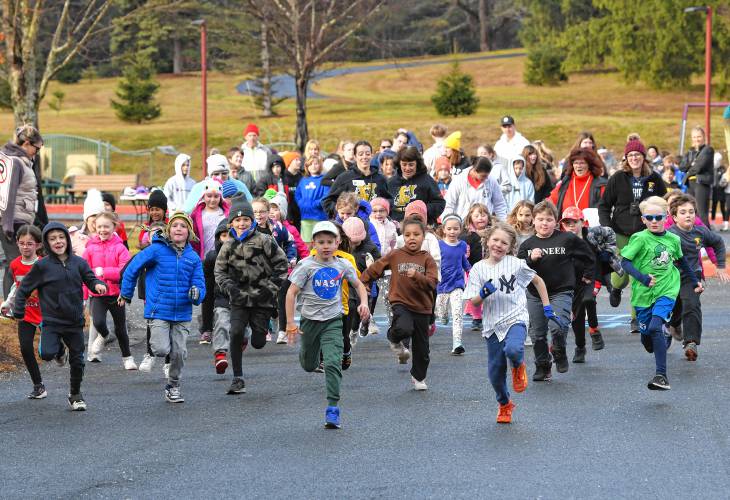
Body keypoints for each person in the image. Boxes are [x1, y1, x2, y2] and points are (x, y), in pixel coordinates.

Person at [464, 222, 554, 424]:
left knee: (513, 349)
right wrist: (482, 293)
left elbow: (537, 281)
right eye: (495, 240)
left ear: (510, 246)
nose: (498, 245)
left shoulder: (516, 264)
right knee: (495, 371)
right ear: (487, 241)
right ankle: (504, 404)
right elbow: (473, 302)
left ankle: (518, 365)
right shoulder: (478, 269)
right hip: (492, 325)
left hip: (516, 317)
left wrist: (547, 306)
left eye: (504, 243)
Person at [285, 220, 369, 429]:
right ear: (313, 243)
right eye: (321, 242)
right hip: (309, 322)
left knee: (333, 363)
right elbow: (291, 293)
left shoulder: (342, 264)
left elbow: (358, 285)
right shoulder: (306, 266)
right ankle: (308, 357)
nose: (325, 246)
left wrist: (364, 304)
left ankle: (333, 408)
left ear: (338, 242)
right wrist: (289, 323)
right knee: (308, 365)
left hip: (333, 320)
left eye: (330, 241)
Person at [14, 222, 107, 411]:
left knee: (78, 360)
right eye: (52, 238)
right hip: (51, 321)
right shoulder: (42, 266)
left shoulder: (78, 262)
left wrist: (97, 284)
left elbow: (90, 278)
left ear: (67, 239)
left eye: (61, 237)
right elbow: (24, 289)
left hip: (74, 321)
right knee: (46, 354)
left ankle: (75, 395)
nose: (58, 241)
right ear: (47, 243)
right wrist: (19, 310)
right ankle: (59, 352)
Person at [120, 212, 206, 403]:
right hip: (159, 309)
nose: (178, 229)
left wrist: (197, 294)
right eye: (175, 225)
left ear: (189, 232)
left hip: (182, 312)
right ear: (169, 229)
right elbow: (133, 267)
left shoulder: (193, 258)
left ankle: (173, 385)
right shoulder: (157, 250)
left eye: (183, 226)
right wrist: (126, 293)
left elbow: (200, 284)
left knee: (179, 353)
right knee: (160, 349)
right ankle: (161, 347)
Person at [619, 196, 700, 391]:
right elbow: (625, 262)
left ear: (666, 218)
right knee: (647, 336)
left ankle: (661, 375)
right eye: (650, 217)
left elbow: (681, 262)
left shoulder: (674, 239)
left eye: (658, 217)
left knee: (655, 327)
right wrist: (643, 278)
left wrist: (695, 281)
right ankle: (655, 339)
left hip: (667, 289)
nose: (654, 221)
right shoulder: (639, 238)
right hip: (643, 294)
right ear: (643, 220)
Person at [214, 197, 288, 395]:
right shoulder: (228, 245)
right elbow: (219, 272)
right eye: (237, 220)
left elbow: (282, 265)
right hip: (238, 298)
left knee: (258, 342)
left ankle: (258, 332)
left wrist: (271, 288)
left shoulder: (264, 240)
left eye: (245, 219)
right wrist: (230, 288)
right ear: (231, 223)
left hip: (262, 299)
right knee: (236, 331)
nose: (241, 223)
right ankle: (238, 378)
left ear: (252, 221)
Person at [516, 200, 594, 381]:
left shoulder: (567, 239)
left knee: (558, 326)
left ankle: (559, 351)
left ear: (556, 222)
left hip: (561, 291)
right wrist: (531, 260)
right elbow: (519, 269)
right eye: (540, 219)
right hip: (535, 294)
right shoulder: (528, 245)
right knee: (538, 334)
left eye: (549, 219)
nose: (545, 223)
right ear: (533, 221)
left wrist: (587, 275)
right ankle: (543, 366)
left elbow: (588, 255)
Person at [360, 217, 438, 391]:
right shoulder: (396, 255)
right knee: (403, 328)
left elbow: (432, 283)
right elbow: (376, 268)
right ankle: (394, 338)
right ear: (402, 236)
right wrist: (363, 281)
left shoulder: (427, 259)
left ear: (423, 236)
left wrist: (417, 276)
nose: (412, 238)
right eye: (408, 234)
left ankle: (418, 377)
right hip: (401, 301)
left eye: (416, 234)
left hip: (423, 307)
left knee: (422, 350)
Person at [598, 138, 666, 331]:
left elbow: (663, 202)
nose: (634, 158)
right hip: (620, 232)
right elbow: (604, 205)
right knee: (621, 275)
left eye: (638, 155)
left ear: (644, 157)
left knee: (640, 276)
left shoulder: (654, 179)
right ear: (626, 158)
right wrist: (607, 227)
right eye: (631, 155)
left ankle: (637, 317)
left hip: (644, 234)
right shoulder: (618, 178)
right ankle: (616, 288)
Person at [667, 194, 727, 361]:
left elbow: (718, 243)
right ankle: (673, 324)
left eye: (691, 212)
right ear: (674, 217)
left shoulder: (700, 231)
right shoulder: (669, 234)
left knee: (692, 304)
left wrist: (720, 266)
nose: (688, 215)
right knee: (676, 306)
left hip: (692, 276)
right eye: (683, 212)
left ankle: (691, 342)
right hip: (671, 277)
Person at [84, 212, 136, 370]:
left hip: (116, 294)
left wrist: (103, 272)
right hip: (98, 295)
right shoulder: (90, 248)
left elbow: (124, 271)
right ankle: (105, 336)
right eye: (99, 226)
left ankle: (127, 358)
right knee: (98, 321)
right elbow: (84, 273)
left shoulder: (120, 248)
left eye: (106, 226)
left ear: (114, 227)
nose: (102, 229)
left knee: (121, 328)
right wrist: (84, 296)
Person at [0, 225, 46, 399]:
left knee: (47, 352)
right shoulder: (15, 264)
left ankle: (59, 352)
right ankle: (38, 386)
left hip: (45, 314)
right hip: (25, 313)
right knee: (26, 349)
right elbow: (16, 287)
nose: (25, 247)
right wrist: (8, 303)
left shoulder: (43, 264)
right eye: (22, 243)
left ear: (38, 245)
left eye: (29, 244)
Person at [558, 207, 610, 363]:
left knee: (589, 299)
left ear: (583, 222)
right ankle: (580, 347)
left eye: (574, 222)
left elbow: (609, 236)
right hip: (572, 282)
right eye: (567, 223)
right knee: (577, 317)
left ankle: (594, 329)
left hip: (591, 279)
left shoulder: (591, 237)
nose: (571, 226)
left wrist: (609, 252)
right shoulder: (562, 241)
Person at [0, 125, 43, 297]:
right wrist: (8, 225)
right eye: (37, 148)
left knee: (15, 263)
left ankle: (15, 304)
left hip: (17, 217)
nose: (37, 152)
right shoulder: (16, 162)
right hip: (13, 220)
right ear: (26, 143)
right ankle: (11, 307)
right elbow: (8, 195)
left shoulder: (11, 159)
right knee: (15, 264)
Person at [341, 216, 380, 358]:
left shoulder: (370, 248)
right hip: (348, 283)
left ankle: (362, 324)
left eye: (357, 241)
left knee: (361, 309)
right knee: (351, 308)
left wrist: (371, 272)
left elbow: (379, 266)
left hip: (364, 285)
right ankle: (351, 332)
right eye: (351, 240)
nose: (354, 243)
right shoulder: (342, 248)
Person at [321, 141, 392, 217]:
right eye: (360, 154)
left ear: (372, 155)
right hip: (351, 225)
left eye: (367, 154)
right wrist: (342, 214)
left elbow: (389, 201)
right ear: (355, 156)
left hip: (375, 224)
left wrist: (382, 211)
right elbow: (327, 201)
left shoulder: (380, 179)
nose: (364, 157)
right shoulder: (345, 177)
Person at [435, 214, 471, 355]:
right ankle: (443, 317)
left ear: (460, 229)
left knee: (457, 313)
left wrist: (471, 270)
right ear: (443, 229)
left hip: (457, 284)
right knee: (441, 313)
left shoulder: (462, 245)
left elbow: (463, 261)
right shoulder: (439, 245)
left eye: (455, 229)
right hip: (442, 285)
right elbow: (434, 262)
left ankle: (457, 343)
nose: (452, 232)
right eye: (449, 229)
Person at [387, 146, 445, 225]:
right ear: (399, 163)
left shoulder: (427, 180)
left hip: (421, 228)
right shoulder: (391, 183)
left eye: (411, 165)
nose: (407, 168)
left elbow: (439, 203)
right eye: (404, 164)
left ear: (417, 164)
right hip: (396, 229)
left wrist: (421, 211)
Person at [442, 156, 508, 221]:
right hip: (463, 225)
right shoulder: (459, 180)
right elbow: (448, 203)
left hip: (485, 226)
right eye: (483, 176)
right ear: (474, 171)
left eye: (488, 175)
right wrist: (448, 221)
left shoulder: (491, 180)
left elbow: (499, 204)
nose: (487, 178)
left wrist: (503, 223)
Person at [549, 148, 606, 216]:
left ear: (589, 165)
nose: (579, 166)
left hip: (590, 225)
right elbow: (550, 202)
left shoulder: (600, 185)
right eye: (576, 163)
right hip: (565, 225)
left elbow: (606, 208)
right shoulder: (565, 183)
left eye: (582, 163)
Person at [680, 126, 714, 227]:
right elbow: (682, 166)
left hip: (701, 183)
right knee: (691, 212)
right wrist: (692, 164)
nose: (696, 139)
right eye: (694, 137)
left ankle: (709, 240)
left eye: (699, 136)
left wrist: (689, 169)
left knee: (701, 213)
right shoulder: (690, 152)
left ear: (704, 137)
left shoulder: (708, 150)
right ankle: (696, 238)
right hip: (690, 184)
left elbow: (699, 167)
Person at [296, 155, 330, 244]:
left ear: (320, 165)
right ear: (307, 166)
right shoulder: (303, 180)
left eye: (316, 164)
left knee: (320, 241)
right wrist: (301, 203)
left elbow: (326, 196)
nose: (313, 166)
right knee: (306, 242)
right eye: (310, 164)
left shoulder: (324, 179)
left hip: (319, 216)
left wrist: (315, 204)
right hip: (305, 216)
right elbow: (298, 194)